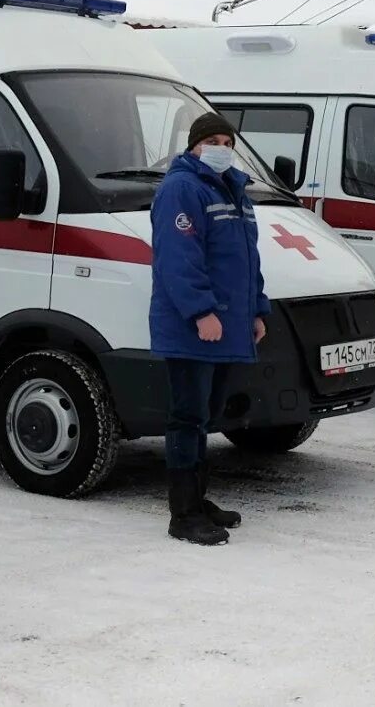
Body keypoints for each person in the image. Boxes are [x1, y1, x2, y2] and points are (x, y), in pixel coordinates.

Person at [150, 112, 269, 546]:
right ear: (194, 144)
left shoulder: (235, 190)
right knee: (187, 417)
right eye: (212, 140)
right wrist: (201, 313)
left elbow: (247, 262)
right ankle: (182, 514)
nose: (221, 147)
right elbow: (178, 260)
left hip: (226, 325)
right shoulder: (181, 189)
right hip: (192, 327)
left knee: (205, 416)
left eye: (227, 140)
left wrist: (257, 311)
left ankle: (198, 500)